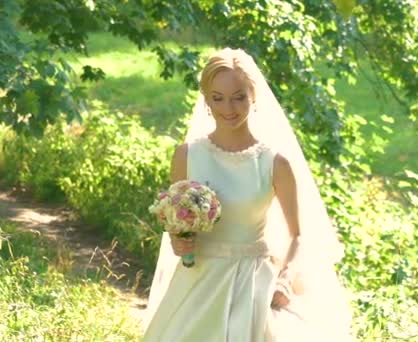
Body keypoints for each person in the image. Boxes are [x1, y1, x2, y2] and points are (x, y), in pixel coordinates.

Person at [143, 48, 352, 341]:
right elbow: (178, 224)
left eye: (239, 96)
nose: (229, 108)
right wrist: (180, 241)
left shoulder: (273, 162)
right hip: (199, 282)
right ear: (206, 100)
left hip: (254, 283)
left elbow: (298, 235)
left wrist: (286, 279)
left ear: (254, 97)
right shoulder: (187, 155)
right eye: (218, 98)